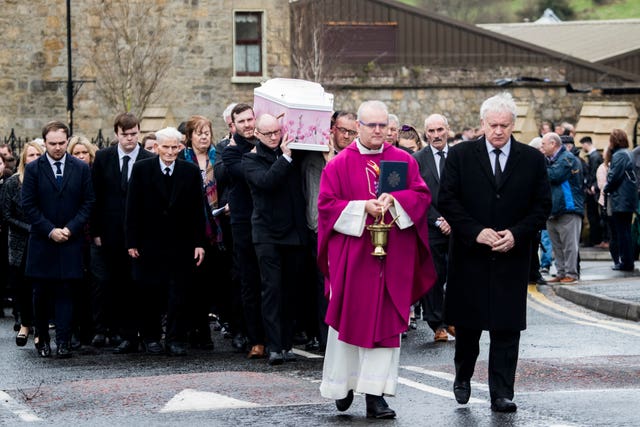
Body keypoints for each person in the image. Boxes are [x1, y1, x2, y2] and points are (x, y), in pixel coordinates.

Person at [318, 100, 436, 419]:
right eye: (371, 125)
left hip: (391, 258)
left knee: (385, 326)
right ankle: (342, 387)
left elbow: (422, 196)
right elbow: (327, 207)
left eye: (383, 125)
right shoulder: (339, 164)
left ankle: (375, 396)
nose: (378, 131)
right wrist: (361, 207)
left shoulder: (402, 161)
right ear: (358, 126)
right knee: (348, 320)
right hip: (354, 259)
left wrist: (395, 201)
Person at [438, 92, 551, 413]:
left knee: (506, 330)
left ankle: (502, 392)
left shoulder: (531, 159)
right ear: (482, 124)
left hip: (511, 258)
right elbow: (447, 200)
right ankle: (462, 376)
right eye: (492, 125)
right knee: (469, 328)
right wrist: (476, 232)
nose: (498, 131)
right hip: (470, 255)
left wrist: (516, 234)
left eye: (504, 125)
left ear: (513, 125)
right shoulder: (460, 156)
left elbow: (542, 206)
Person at [126, 127, 206, 356]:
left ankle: (175, 339)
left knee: (179, 293)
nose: (170, 152)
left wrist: (199, 243)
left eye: (175, 147)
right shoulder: (142, 169)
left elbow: (196, 210)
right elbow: (132, 207)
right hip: (149, 242)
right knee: (149, 292)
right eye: (166, 147)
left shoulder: (190, 171)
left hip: (181, 243)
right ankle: (151, 338)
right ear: (157, 147)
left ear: (180, 147)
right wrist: (131, 241)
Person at [22, 121, 95, 358]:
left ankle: (63, 342)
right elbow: (29, 206)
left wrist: (70, 229)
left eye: (62, 143)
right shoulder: (34, 169)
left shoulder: (80, 168)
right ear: (45, 142)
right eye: (52, 144)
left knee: (66, 292)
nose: (57, 148)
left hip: (70, 241)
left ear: (68, 140)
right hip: (43, 241)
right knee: (41, 295)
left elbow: (88, 202)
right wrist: (50, 230)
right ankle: (42, 339)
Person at [242, 114, 308, 365]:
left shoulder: (292, 152)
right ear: (257, 134)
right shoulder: (250, 159)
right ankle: (274, 345)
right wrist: (286, 157)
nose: (273, 137)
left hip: (292, 232)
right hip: (267, 233)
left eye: (276, 132)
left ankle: (287, 343)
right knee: (271, 289)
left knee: (291, 290)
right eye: (267, 133)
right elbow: (266, 182)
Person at [90, 112, 155, 353]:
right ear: (116, 134)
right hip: (111, 232)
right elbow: (95, 196)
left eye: (134, 134)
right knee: (117, 284)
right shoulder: (103, 158)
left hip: (141, 233)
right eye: (125, 135)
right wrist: (96, 231)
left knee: (141, 284)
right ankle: (125, 334)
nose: (130, 139)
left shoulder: (148, 158)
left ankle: (147, 334)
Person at [220, 103, 266, 358]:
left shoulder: (265, 142)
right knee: (249, 282)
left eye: (251, 119)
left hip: (268, 221)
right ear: (234, 125)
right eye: (242, 121)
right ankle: (255, 339)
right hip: (244, 222)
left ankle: (275, 337)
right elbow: (248, 173)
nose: (248, 125)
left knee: (270, 282)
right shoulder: (231, 151)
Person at [178, 115, 228, 350]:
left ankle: (205, 330)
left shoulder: (218, 158)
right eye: (198, 132)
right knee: (190, 282)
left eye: (207, 131)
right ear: (189, 137)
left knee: (210, 281)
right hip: (190, 228)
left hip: (216, 227)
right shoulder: (181, 159)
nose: (204, 136)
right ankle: (191, 328)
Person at [414, 114, 454, 342]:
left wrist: (453, 220)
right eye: (431, 131)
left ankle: (454, 318)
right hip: (431, 226)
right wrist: (438, 220)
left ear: (447, 130)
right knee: (434, 276)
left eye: (440, 130)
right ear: (425, 133)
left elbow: (465, 191)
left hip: (457, 225)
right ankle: (437, 323)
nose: (436, 135)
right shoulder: (418, 159)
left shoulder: (459, 156)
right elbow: (418, 195)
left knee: (458, 275)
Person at [2, 142, 43, 347]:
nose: (34, 158)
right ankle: (26, 324)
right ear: (24, 159)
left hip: (43, 238)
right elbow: (6, 214)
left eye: (38, 154)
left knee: (41, 287)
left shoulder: (46, 181)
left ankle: (39, 328)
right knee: (22, 286)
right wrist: (29, 228)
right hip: (20, 240)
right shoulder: (12, 183)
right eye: (30, 155)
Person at [540, 132, 584, 285]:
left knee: (569, 245)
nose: (541, 147)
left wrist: (538, 164)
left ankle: (571, 274)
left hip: (568, 209)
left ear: (553, 144)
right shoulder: (550, 160)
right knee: (557, 246)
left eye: (543, 144)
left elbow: (554, 175)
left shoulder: (567, 158)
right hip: (553, 210)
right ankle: (561, 273)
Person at [603, 129, 638, 272]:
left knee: (622, 232)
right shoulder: (628, 153)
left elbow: (613, 177)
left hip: (620, 200)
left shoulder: (619, 155)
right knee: (626, 232)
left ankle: (626, 263)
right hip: (628, 199)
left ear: (614, 141)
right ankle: (628, 261)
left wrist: (606, 188)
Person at [581, 136, 604, 247]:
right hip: (594, 190)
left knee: (593, 215)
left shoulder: (594, 157)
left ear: (586, 144)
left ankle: (595, 239)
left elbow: (593, 173)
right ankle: (596, 239)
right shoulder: (595, 156)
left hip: (593, 192)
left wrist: (591, 186)